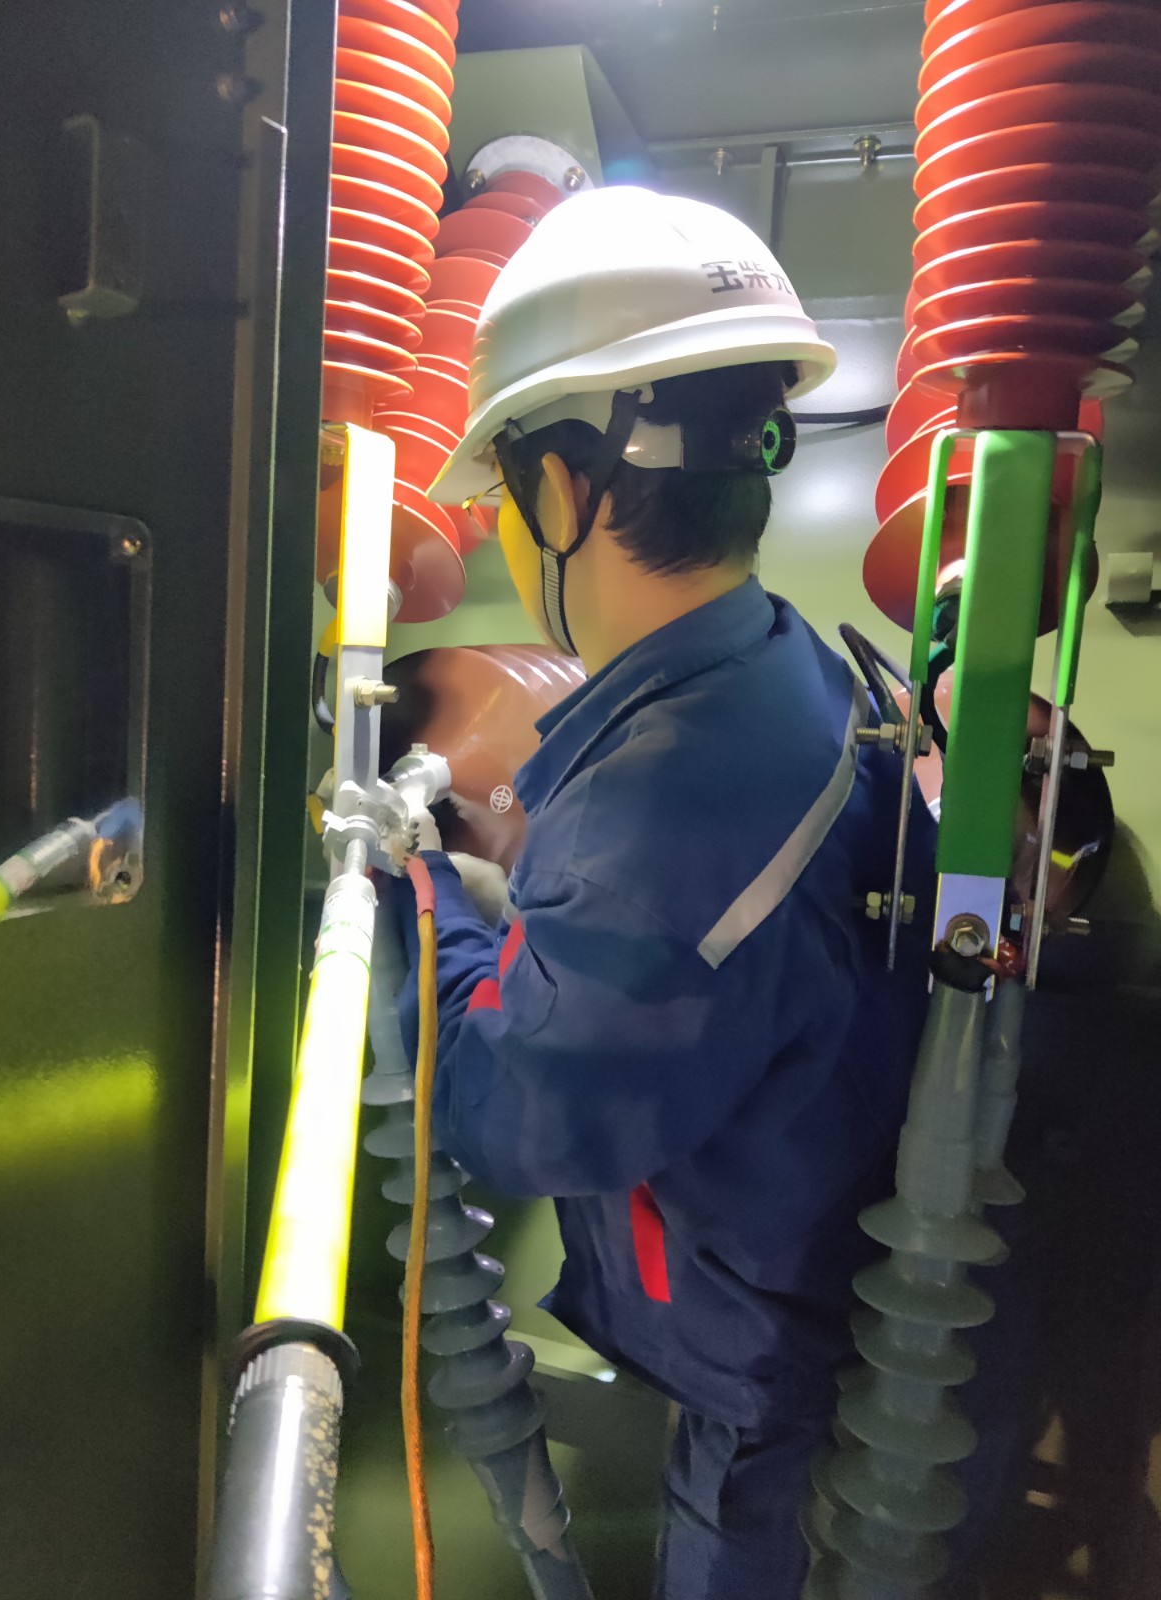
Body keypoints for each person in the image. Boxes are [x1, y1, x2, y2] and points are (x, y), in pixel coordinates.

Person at [388, 186, 937, 1599]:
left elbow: (526, 1110)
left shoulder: (665, 801)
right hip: (810, 1266)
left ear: (564, 491)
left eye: (507, 495)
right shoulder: (782, 663)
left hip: (766, 1363)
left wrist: (428, 899)